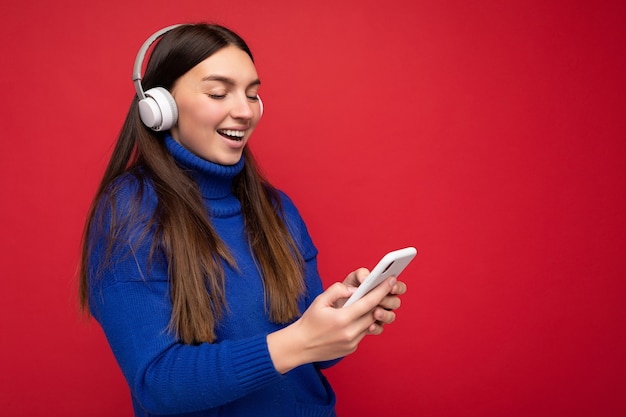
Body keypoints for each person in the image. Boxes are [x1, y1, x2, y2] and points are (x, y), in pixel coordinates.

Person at [79, 23, 407, 417]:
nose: (245, 110)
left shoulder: (277, 209)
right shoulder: (129, 211)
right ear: (159, 107)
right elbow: (157, 383)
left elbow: (311, 360)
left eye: (253, 94)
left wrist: (341, 321)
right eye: (219, 92)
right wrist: (300, 340)